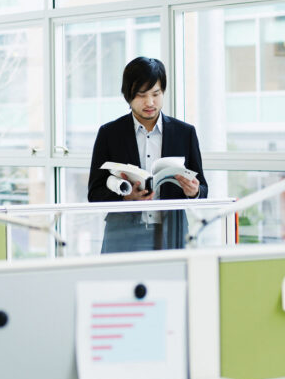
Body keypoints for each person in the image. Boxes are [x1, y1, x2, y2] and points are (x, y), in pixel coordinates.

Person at [87, 57, 207, 252]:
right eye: (141, 95)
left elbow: (202, 189)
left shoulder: (185, 133)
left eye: (156, 94)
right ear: (128, 96)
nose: (150, 102)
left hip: (171, 234)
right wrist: (126, 198)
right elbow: (94, 193)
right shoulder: (110, 133)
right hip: (123, 234)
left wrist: (194, 192)